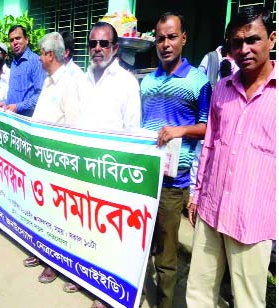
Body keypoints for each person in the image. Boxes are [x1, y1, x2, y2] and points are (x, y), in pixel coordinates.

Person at [186, 7, 276, 308]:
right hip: (212, 210)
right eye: (236, 43)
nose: (244, 49)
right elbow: (210, 145)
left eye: (253, 40)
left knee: (248, 301)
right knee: (198, 292)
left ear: (272, 39)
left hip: (252, 220)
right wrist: (196, 195)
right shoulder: (222, 89)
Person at [140, 12, 211, 308]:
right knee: (139, 245)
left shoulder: (199, 80)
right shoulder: (146, 81)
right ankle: (132, 294)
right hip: (142, 176)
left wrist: (181, 130)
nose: (166, 44)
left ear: (183, 39)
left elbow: (208, 127)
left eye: (172, 37)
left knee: (167, 257)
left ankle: (164, 304)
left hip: (173, 182)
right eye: (160, 38)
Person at [78, 21, 140, 308]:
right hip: (82, 167)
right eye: (93, 44)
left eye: (104, 44)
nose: (98, 49)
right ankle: (82, 274)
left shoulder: (126, 81)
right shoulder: (84, 77)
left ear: (115, 48)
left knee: (108, 232)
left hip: (111, 170)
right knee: (83, 224)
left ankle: (105, 292)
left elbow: (132, 130)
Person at [22, 32, 81, 284]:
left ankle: (54, 263)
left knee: (57, 218)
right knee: (41, 211)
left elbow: (73, 124)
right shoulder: (49, 80)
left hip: (57, 162)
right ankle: (41, 251)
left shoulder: (69, 82)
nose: (38, 56)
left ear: (49, 55)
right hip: (40, 159)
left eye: (40, 52)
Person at [0, 25, 46, 116]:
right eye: (11, 40)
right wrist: (6, 105)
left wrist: (18, 107)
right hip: (12, 119)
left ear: (26, 39)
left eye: (18, 38)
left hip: (26, 121)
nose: (15, 42)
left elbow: (41, 96)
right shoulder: (14, 62)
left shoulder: (36, 62)